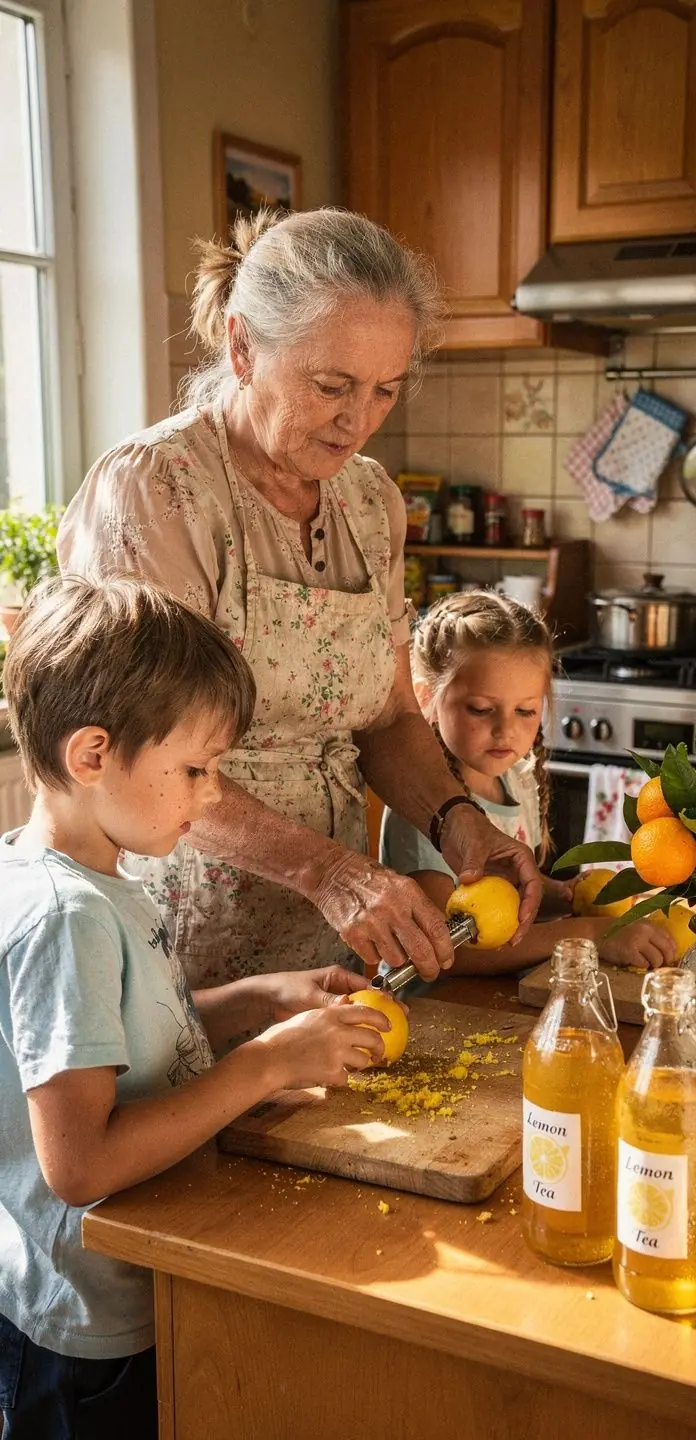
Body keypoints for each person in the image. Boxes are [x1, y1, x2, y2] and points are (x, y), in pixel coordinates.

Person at [57, 207, 541, 991]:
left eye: (386, 390)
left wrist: (461, 824)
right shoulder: (157, 490)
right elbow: (145, 759)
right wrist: (330, 873)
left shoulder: (370, 500)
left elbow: (386, 715)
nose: (358, 421)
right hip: (183, 930)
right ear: (244, 346)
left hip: (339, 927)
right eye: (331, 386)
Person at [0, 576, 395, 1440]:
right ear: (92, 754)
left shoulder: (93, 880)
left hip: (141, 1272)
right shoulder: (66, 920)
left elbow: (122, 1039)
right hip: (91, 1324)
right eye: (195, 769)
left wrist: (253, 1002)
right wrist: (268, 1064)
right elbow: (81, 1164)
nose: (212, 794)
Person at [381, 590, 677, 976]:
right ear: (426, 699)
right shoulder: (420, 810)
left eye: (525, 711)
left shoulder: (518, 780)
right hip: (435, 1008)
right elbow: (451, 951)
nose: (506, 730)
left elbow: (508, 902)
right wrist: (589, 933)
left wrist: (564, 896)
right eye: (482, 709)